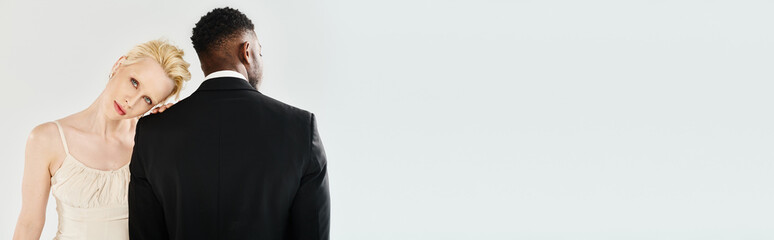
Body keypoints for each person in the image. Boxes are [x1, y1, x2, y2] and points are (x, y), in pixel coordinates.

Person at [128, 7, 330, 240]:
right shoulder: (300, 128)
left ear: (204, 62)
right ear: (247, 51)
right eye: (260, 52)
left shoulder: (153, 132)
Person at [12, 39, 191, 240]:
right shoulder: (47, 139)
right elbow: (29, 225)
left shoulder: (150, 146)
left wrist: (170, 130)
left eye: (147, 99)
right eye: (134, 82)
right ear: (118, 65)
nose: (131, 102)